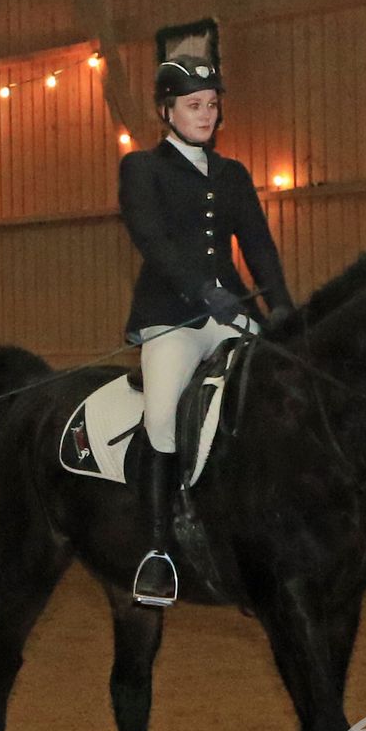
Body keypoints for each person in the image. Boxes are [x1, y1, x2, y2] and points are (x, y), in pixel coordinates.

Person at [117, 55, 293, 607]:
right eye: (193, 105)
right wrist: (202, 292)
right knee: (163, 414)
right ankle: (156, 551)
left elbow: (259, 246)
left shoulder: (233, 174)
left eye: (212, 105)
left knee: (281, 394)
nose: (205, 114)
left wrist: (282, 308)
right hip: (174, 318)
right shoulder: (141, 168)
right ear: (166, 111)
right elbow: (152, 240)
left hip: (234, 315)